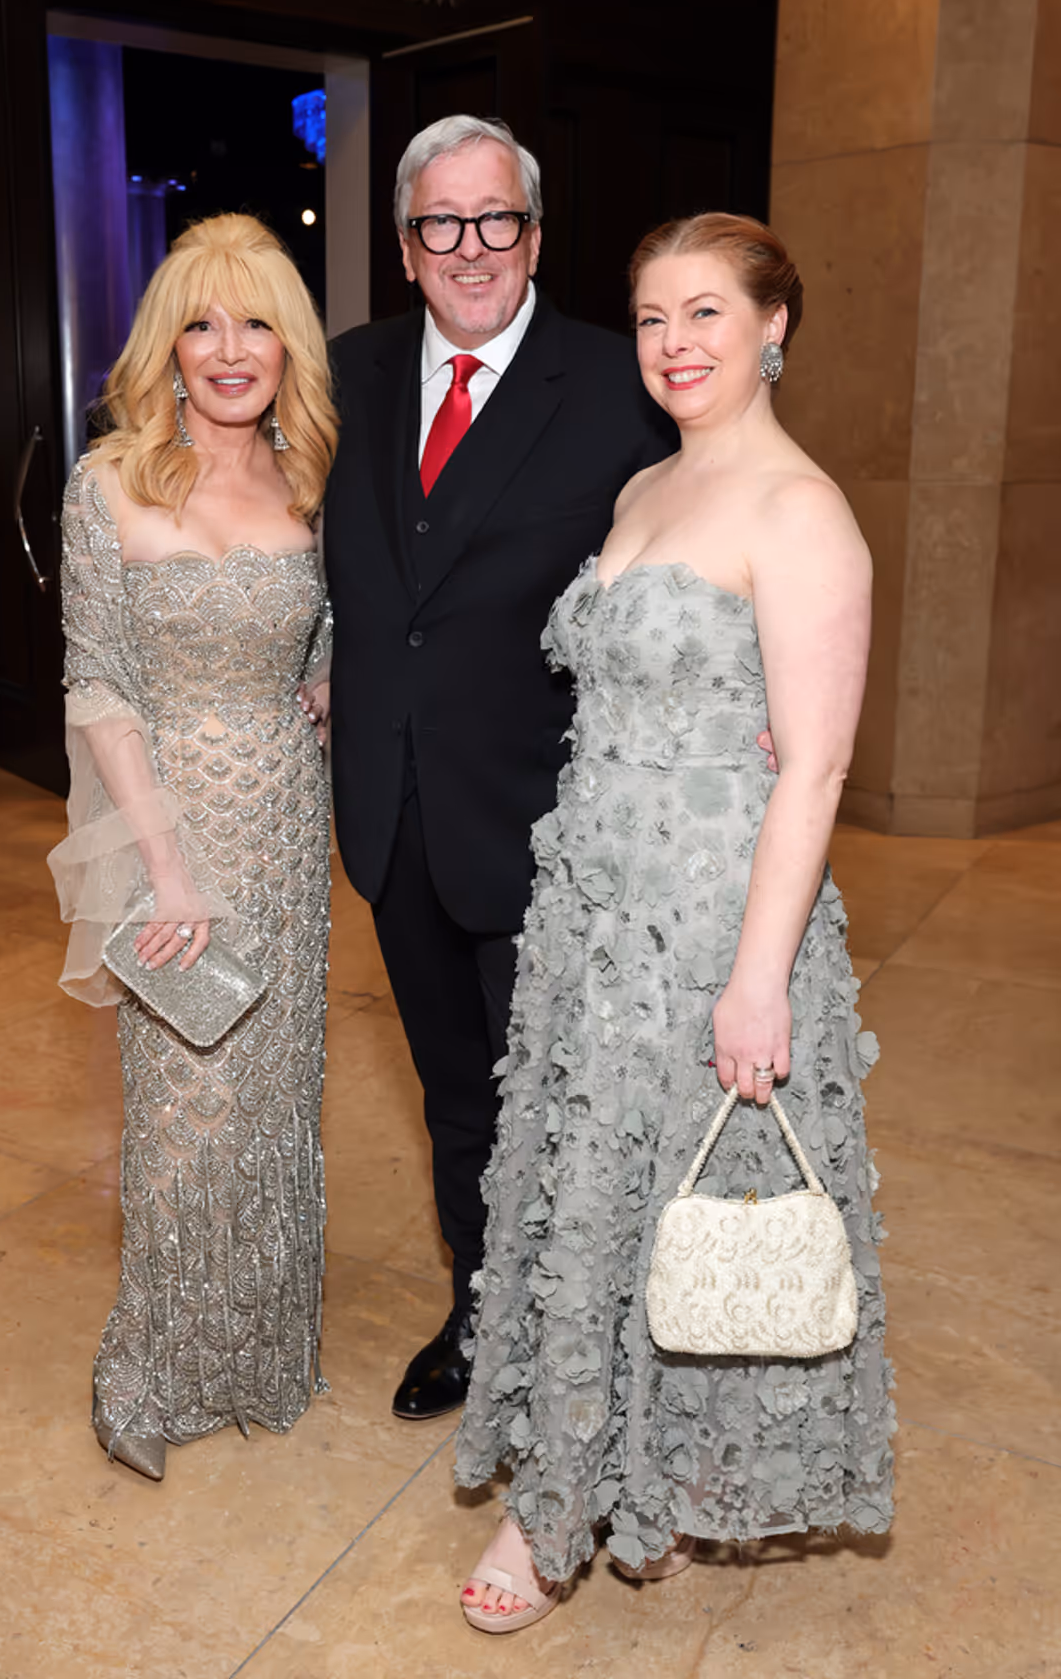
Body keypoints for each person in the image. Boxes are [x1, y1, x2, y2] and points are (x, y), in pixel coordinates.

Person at [452, 212, 895, 1631]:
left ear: (776, 326)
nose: (674, 343)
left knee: (685, 1204)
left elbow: (814, 766)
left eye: (706, 312)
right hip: (593, 915)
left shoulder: (801, 510)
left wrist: (757, 980)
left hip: (714, 920)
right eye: (651, 318)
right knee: (596, 1193)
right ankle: (595, 1480)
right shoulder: (646, 486)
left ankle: (588, 1503)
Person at [315, 116, 677, 1421]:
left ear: (534, 232)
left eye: (496, 219)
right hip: (394, 812)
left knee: (568, 1106)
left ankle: (576, 1341)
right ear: (405, 246)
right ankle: (481, 1311)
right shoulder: (343, 374)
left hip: (555, 826)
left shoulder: (624, 385)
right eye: (440, 223)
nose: (470, 247)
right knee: (455, 1096)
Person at [48, 214, 338, 1480]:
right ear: (167, 345)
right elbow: (99, 684)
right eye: (202, 325)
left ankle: (258, 1353)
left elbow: (342, 628)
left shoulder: (310, 479)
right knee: (180, 1107)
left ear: (289, 346)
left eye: (257, 323)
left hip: (285, 826)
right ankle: (155, 1368)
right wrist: (167, 873)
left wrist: (329, 673)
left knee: (272, 1097)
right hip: (166, 826)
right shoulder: (108, 483)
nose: (229, 350)